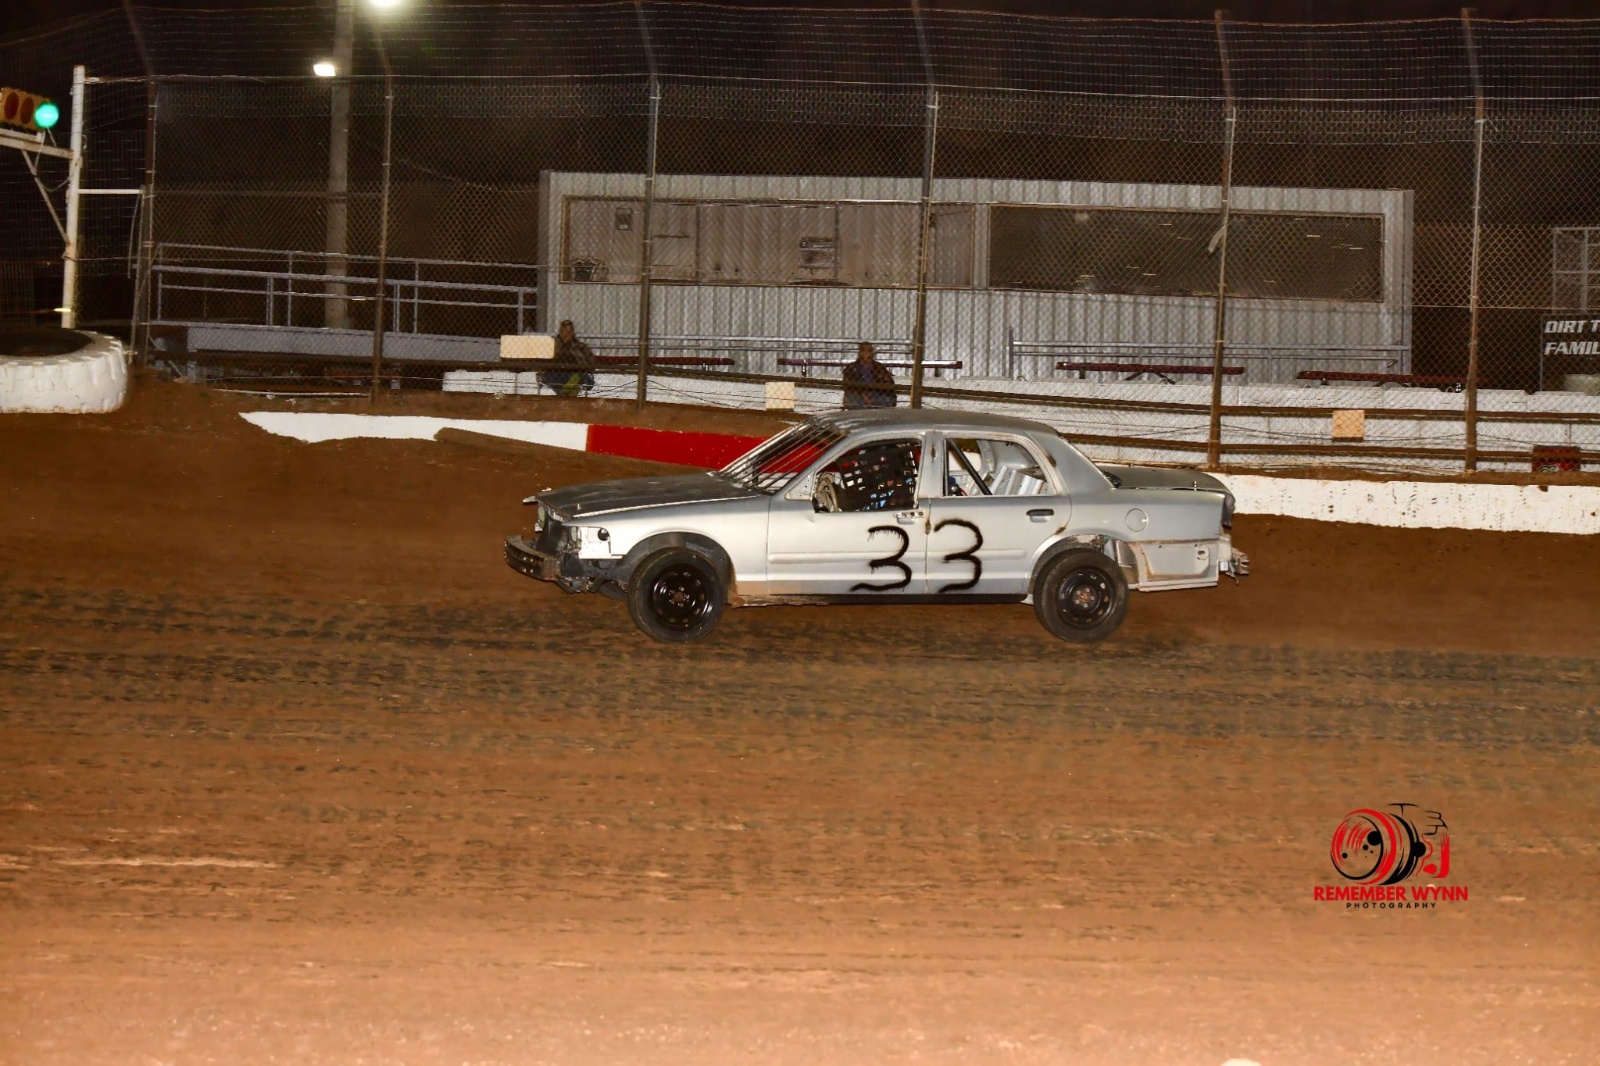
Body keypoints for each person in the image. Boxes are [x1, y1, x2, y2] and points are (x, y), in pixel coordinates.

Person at [541, 320, 596, 397]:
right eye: (564, 331)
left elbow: (590, 362)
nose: (567, 334)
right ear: (560, 331)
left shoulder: (580, 346)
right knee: (548, 375)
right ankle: (568, 391)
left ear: (573, 332)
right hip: (556, 373)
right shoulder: (552, 345)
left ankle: (565, 391)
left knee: (581, 375)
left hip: (574, 373)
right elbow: (544, 362)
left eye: (569, 331)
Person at [841, 341, 897, 409]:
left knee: (887, 400)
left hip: (876, 395)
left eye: (870, 351)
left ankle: (868, 408)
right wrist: (863, 394)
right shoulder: (852, 368)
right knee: (851, 398)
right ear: (860, 353)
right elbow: (847, 386)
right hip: (858, 395)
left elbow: (890, 384)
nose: (868, 353)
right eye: (864, 350)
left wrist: (873, 394)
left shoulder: (879, 367)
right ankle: (870, 408)